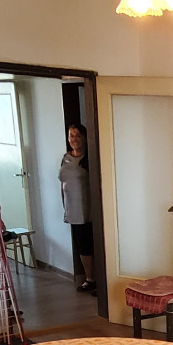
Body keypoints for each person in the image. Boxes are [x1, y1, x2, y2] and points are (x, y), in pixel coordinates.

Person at [60, 123, 96, 293]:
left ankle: (97, 280)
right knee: (81, 246)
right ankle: (89, 279)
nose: (74, 139)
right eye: (71, 136)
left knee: (90, 244)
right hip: (72, 209)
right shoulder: (65, 158)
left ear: (85, 138)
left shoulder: (89, 158)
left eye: (78, 135)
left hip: (87, 209)